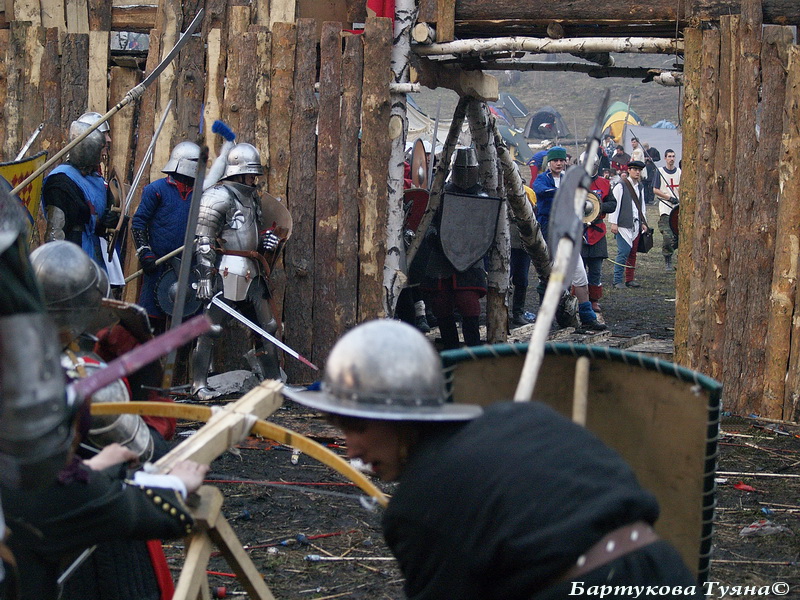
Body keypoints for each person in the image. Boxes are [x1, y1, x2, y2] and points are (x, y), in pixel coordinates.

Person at [283, 319, 700, 600]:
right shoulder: (521, 418)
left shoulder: (419, 505)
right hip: (670, 574)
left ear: (397, 419)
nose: (351, 450)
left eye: (356, 427)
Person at [192, 142, 284, 398]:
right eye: (251, 174)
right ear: (238, 173)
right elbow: (204, 241)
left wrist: (265, 240)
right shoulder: (216, 197)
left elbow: (250, 232)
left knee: (267, 327)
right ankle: (199, 384)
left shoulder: (252, 198)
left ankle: (275, 383)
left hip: (253, 270)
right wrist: (204, 278)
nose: (254, 179)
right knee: (211, 328)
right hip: (227, 271)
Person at [413, 147, 489, 349]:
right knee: (441, 306)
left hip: (469, 259)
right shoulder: (441, 193)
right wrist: (433, 235)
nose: (465, 174)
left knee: (469, 305)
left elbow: (487, 228)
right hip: (441, 257)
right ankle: (450, 349)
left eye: (469, 169)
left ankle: (473, 350)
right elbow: (429, 220)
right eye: (461, 169)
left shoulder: (482, 196)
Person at [533, 146, 606, 331]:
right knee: (551, 276)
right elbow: (541, 191)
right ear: (549, 162)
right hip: (550, 233)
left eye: (561, 160)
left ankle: (587, 316)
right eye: (555, 160)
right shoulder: (542, 179)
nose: (559, 163)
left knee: (580, 275)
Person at [131, 141, 201, 331]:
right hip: (159, 265)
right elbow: (139, 223)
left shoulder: (202, 195)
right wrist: (144, 252)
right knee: (153, 324)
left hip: (188, 268)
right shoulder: (156, 190)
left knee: (187, 325)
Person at [41, 120, 118, 272]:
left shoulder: (93, 178)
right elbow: (55, 233)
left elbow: (93, 219)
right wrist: (58, 270)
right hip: (72, 255)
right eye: (100, 149)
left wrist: (106, 221)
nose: (103, 154)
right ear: (90, 151)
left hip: (93, 251)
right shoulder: (61, 181)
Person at [581, 166, 616, 314]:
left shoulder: (604, 183)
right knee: (579, 269)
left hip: (597, 231)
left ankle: (594, 299)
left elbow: (612, 204)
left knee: (595, 269)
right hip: (579, 230)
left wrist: (598, 205)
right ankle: (580, 299)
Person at [609, 160, 649, 289]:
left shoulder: (640, 186)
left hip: (636, 224)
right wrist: (614, 223)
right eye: (635, 169)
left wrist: (643, 222)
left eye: (639, 170)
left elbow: (641, 206)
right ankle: (617, 280)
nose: (637, 172)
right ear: (629, 170)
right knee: (623, 252)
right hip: (623, 224)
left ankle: (629, 279)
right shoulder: (621, 186)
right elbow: (615, 205)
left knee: (632, 253)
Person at [509, 172, 537, 326]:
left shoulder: (528, 193)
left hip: (524, 244)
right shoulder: (502, 193)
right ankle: (501, 312)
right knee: (503, 281)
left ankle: (518, 313)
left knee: (522, 280)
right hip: (506, 244)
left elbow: (533, 215)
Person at [653, 148, 681, 271]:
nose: (671, 159)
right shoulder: (660, 172)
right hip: (665, 207)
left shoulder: (679, 172)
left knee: (678, 235)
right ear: (665, 158)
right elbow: (655, 189)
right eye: (669, 156)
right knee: (667, 236)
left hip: (678, 207)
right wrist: (668, 197)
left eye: (673, 156)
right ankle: (668, 257)